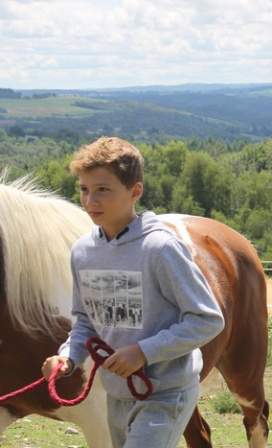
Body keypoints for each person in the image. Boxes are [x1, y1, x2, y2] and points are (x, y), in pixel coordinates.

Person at [41, 137, 225, 448]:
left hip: (167, 392)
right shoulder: (83, 252)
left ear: (135, 191)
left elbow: (207, 319)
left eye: (103, 189)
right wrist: (68, 357)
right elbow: (86, 321)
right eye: (84, 189)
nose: (90, 201)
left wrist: (143, 352)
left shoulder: (161, 248)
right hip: (116, 393)